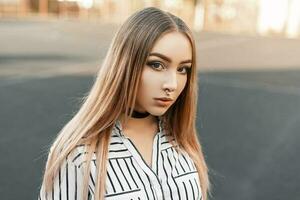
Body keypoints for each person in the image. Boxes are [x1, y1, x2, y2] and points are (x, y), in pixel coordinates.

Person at [38, 6, 211, 200]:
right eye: (156, 65)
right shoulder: (78, 154)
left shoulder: (182, 141)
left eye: (183, 69)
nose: (172, 84)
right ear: (125, 64)